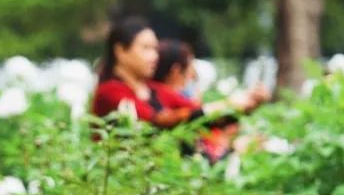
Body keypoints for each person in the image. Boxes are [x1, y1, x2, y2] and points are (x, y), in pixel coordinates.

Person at [92, 18, 264, 133]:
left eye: (155, 49)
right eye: (146, 48)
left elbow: (198, 115)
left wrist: (245, 105)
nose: (154, 56)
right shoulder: (110, 92)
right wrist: (225, 105)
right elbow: (154, 123)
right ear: (120, 51)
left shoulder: (156, 90)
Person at [152, 39, 269, 161]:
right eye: (190, 68)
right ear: (175, 71)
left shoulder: (173, 105)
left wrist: (248, 104)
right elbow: (197, 157)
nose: (193, 76)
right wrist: (234, 150)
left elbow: (209, 119)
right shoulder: (169, 112)